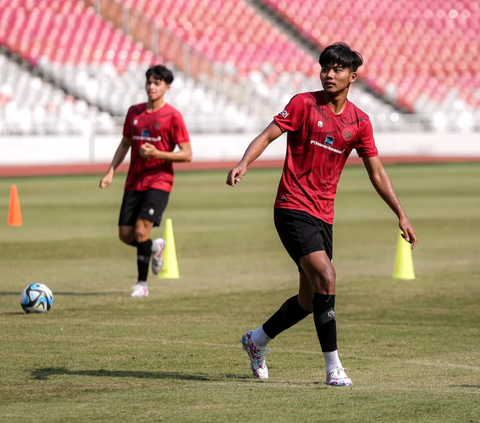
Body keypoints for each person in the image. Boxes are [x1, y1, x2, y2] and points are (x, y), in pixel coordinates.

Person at [226, 43, 417, 386]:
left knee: (308, 298)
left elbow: (376, 172)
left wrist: (400, 214)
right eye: (325, 68)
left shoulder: (359, 121)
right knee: (327, 277)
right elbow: (268, 135)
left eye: (337, 69)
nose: (329, 74)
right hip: (291, 207)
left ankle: (256, 341)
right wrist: (243, 162)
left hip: (323, 215)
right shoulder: (303, 104)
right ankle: (334, 369)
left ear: (352, 77)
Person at [100, 65, 192, 298]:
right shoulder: (134, 112)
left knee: (141, 230)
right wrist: (111, 170)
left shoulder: (173, 117)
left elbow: (187, 154)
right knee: (125, 234)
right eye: (149, 82)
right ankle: (154, 246)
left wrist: (158, 154)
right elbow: (125, 144)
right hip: (134, 181)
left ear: (167, 87)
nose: (151, 86)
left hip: (159, 181)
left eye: (157, 83)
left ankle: (142, 285)